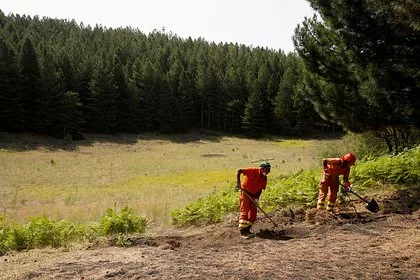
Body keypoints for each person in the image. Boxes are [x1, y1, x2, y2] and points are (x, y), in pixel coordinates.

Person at [236, 161, 271, 238]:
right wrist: (238, 182)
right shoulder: (253, 171)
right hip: (245, 193)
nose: (268, 172)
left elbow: (260, 189)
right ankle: (243, 232)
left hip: (254, 195)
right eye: (267, 170)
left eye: (269, 170)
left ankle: (247, 230)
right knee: (244, 212)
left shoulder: (264, 178)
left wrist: (256, 199)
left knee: (253, 215)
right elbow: (239, 170)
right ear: (262, 168)